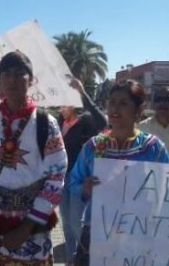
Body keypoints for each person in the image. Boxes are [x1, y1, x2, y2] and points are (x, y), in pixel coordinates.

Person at [0, 51, 66, 265]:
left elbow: (56, 176)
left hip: (32, 231)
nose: (12, 80)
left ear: (31, 81)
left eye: (20, 74)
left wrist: (26, 228)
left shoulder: (46, 123)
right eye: (6, 74)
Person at [67, 80, 169, 264]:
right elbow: (73, 183)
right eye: (112, 102)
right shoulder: (93, 147)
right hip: (97, 233)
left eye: (123, 103)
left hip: (139, 234)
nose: (115, 109)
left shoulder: (154, 149)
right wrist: (85, 188)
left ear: (139, 109)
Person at [56, 76, 107, 261]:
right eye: (60, 105)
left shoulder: (85, 120)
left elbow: (103, 122)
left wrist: (82, 92)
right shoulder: (59, 123)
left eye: (65, 104)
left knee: (77, 222)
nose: (61, 108)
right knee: (66, 223)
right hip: (62, 177)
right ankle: (71, 259)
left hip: (79, 179)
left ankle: (87, 256)